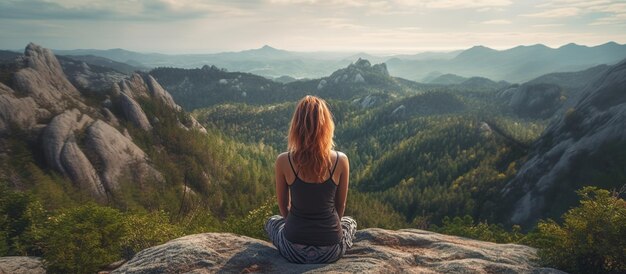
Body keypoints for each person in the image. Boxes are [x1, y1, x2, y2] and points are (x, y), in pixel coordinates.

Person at [265, 95, 357, 264]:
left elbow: (283, 207)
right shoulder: (341, 160)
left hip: (293, 249)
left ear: (296, 127)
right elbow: (340, 207)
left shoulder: (284, 161)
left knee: (272, 221)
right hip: (330, 250)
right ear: (326, 127)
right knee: (349, 222)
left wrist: (296, 226)